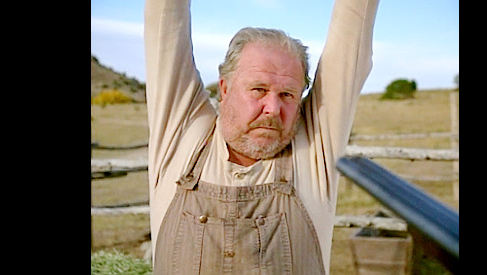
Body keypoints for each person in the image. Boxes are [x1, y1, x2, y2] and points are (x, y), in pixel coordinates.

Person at [144, 0, 379, 273]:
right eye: (258, 89)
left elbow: (354, 26)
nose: (273, 109)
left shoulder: (314, 149)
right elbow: (164, 19)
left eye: (288, 95)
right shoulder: (183, 134)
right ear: (225, 88)